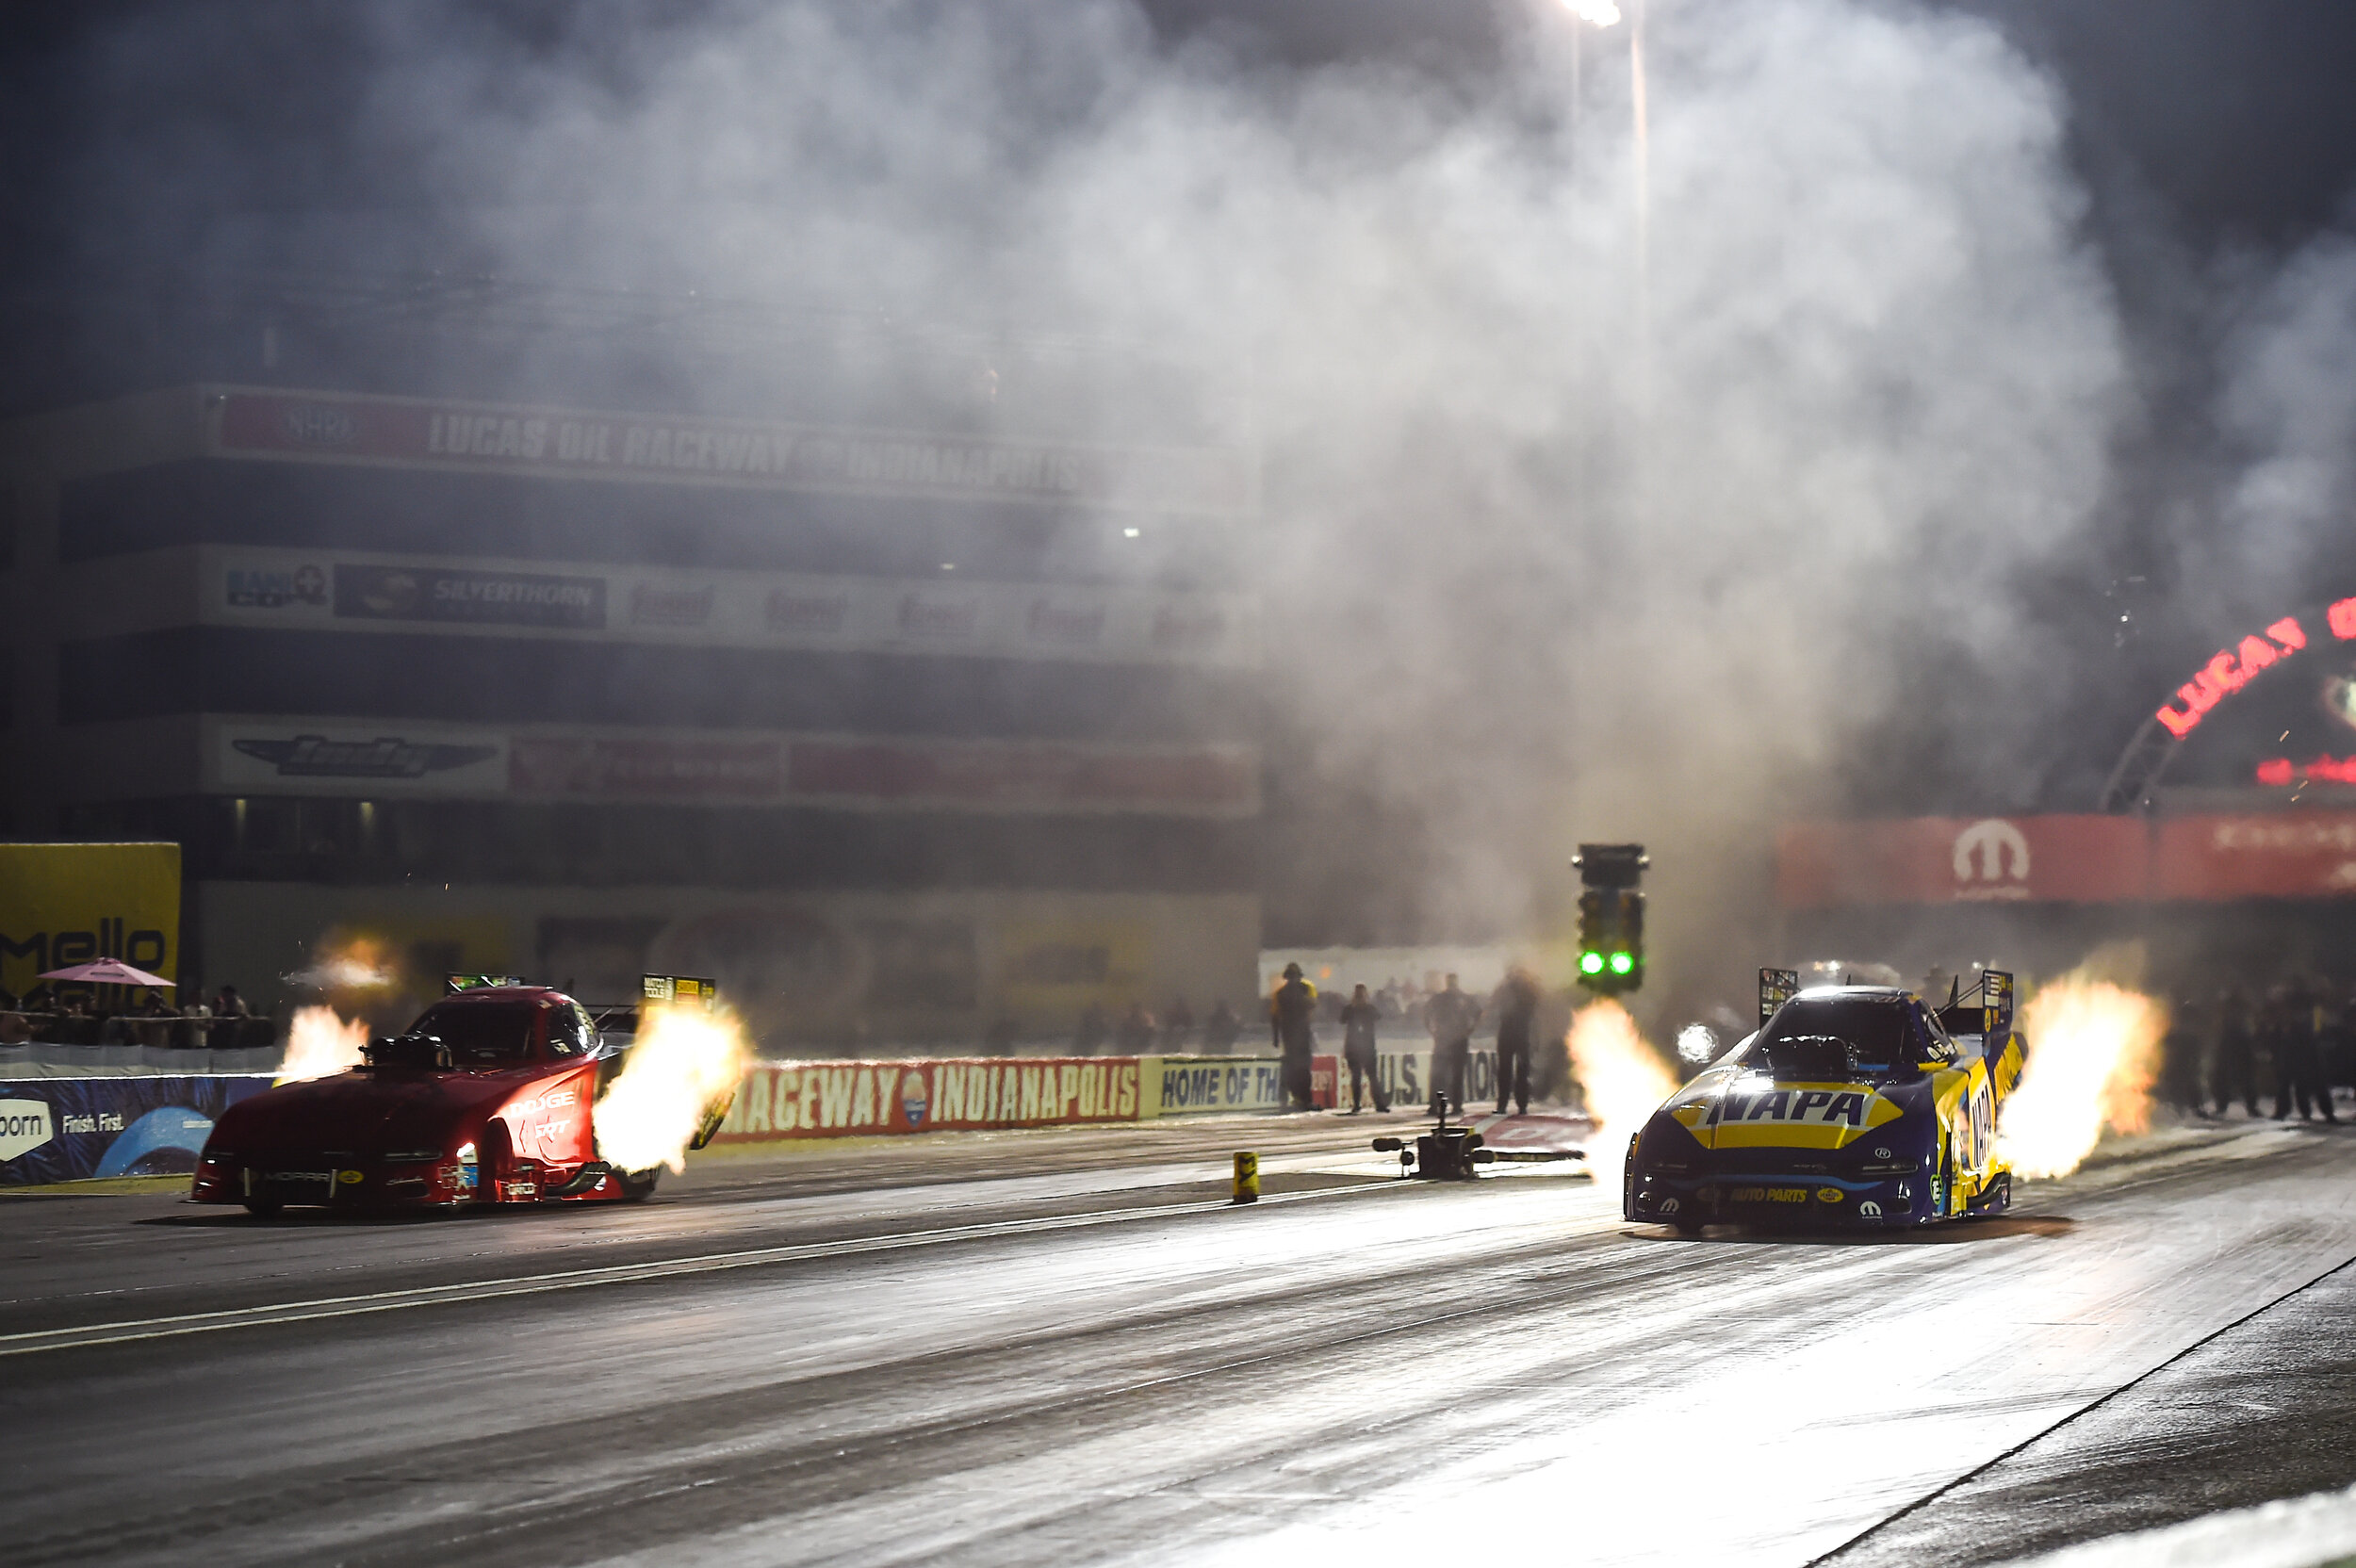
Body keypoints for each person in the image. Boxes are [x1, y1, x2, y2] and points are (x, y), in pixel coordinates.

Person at [1423, 973, 1481, 1118]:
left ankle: (1454, 1105)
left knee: (1455, 1075)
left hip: (1456, 1039)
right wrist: (1432, 1030)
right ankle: (1436, 1106)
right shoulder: (1441, 998)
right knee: (1439, 1074)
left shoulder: (1464, 998)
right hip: (1445, 1039)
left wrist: (1469, 1031)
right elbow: (1425, 1012)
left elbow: (1479, 1013)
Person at [1491, 964, 1542, 1117]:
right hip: (1515, 1033)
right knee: (1512, 1071)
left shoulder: (1528, 989)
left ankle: (1513, 1104)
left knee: (1515, 1071)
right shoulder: (1520, 989)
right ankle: (1517, 1105)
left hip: (1517, 1033)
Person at [1269, 962, 1318, 1111]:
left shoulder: (1304, 989)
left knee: (1302, 1068)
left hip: (1299, 1034)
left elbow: (1313, 1004)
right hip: (1292, 1035)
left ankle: (1303, 1099)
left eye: (1294, 977)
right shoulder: (1280, 994)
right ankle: (1299, 1099)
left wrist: (1276, 1037)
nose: (1292, 980)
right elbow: (1275, 1016)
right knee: (1296, 1068)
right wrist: (1276, 1037)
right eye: (1291, 978)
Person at [1338, 983, 1388, 1112]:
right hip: (1360, 1047)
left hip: (1359, 1047)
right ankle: (1376, 1104)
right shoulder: (1363, 1009)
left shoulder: (1357, 1009)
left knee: (1361, 1077)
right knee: (1367, 1077)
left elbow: (1342, 1020)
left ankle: (1360, 1105)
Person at [2210, 987, 2258, 1118]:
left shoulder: (2238, 1005)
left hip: (2237, 1039)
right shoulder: (2228, 1005)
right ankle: (2224, 1104)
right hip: (2231, 1039)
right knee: (2225, 1075)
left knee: (2242, 1075)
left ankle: (2249, 1105)